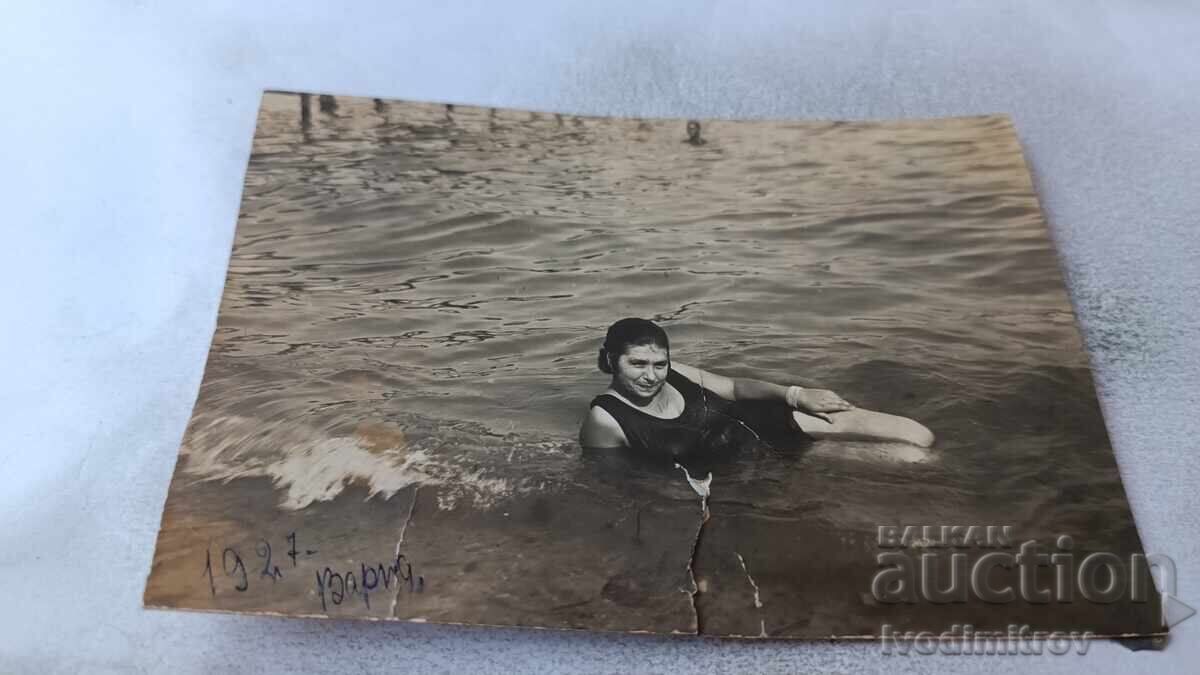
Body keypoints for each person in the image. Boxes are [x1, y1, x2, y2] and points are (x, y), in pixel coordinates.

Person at [579, 318, 934, 463]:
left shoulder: (674, 372)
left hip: (774, 422)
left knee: (919, 434)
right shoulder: (604, 422)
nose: (651, 376)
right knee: (915, 460)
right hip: (754, 463)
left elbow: (734, 387)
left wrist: (796, 395)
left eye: (659, 364)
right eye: (637, 364)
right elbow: (622, 488)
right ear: (610, 360)